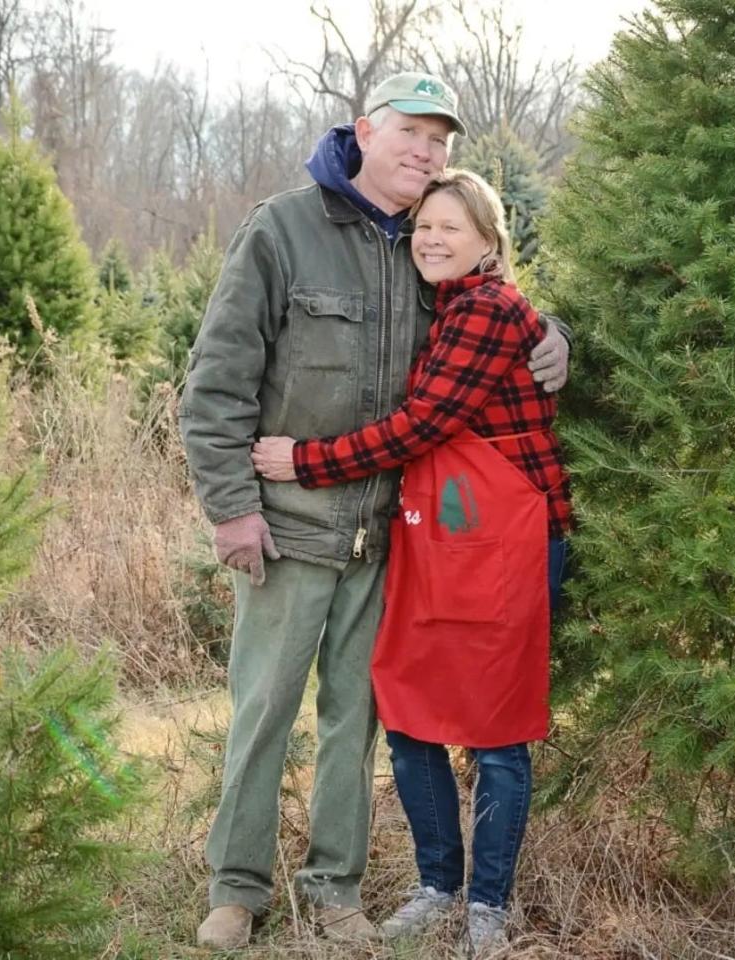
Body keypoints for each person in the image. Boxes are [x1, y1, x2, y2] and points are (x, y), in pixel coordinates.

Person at [179, 73, 570, 951]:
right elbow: (216, 383)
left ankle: (335, 889)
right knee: (265, 710)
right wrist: (233, 507)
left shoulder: (428, 242)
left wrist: (557, 336)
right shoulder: (284, 230)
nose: (425, 153)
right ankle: (236, 890)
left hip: (390, 535)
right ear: (364, 132)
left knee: (357, 719)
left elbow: (498, 309)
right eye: (410, 135)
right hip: (288, 525)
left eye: (439, 142)